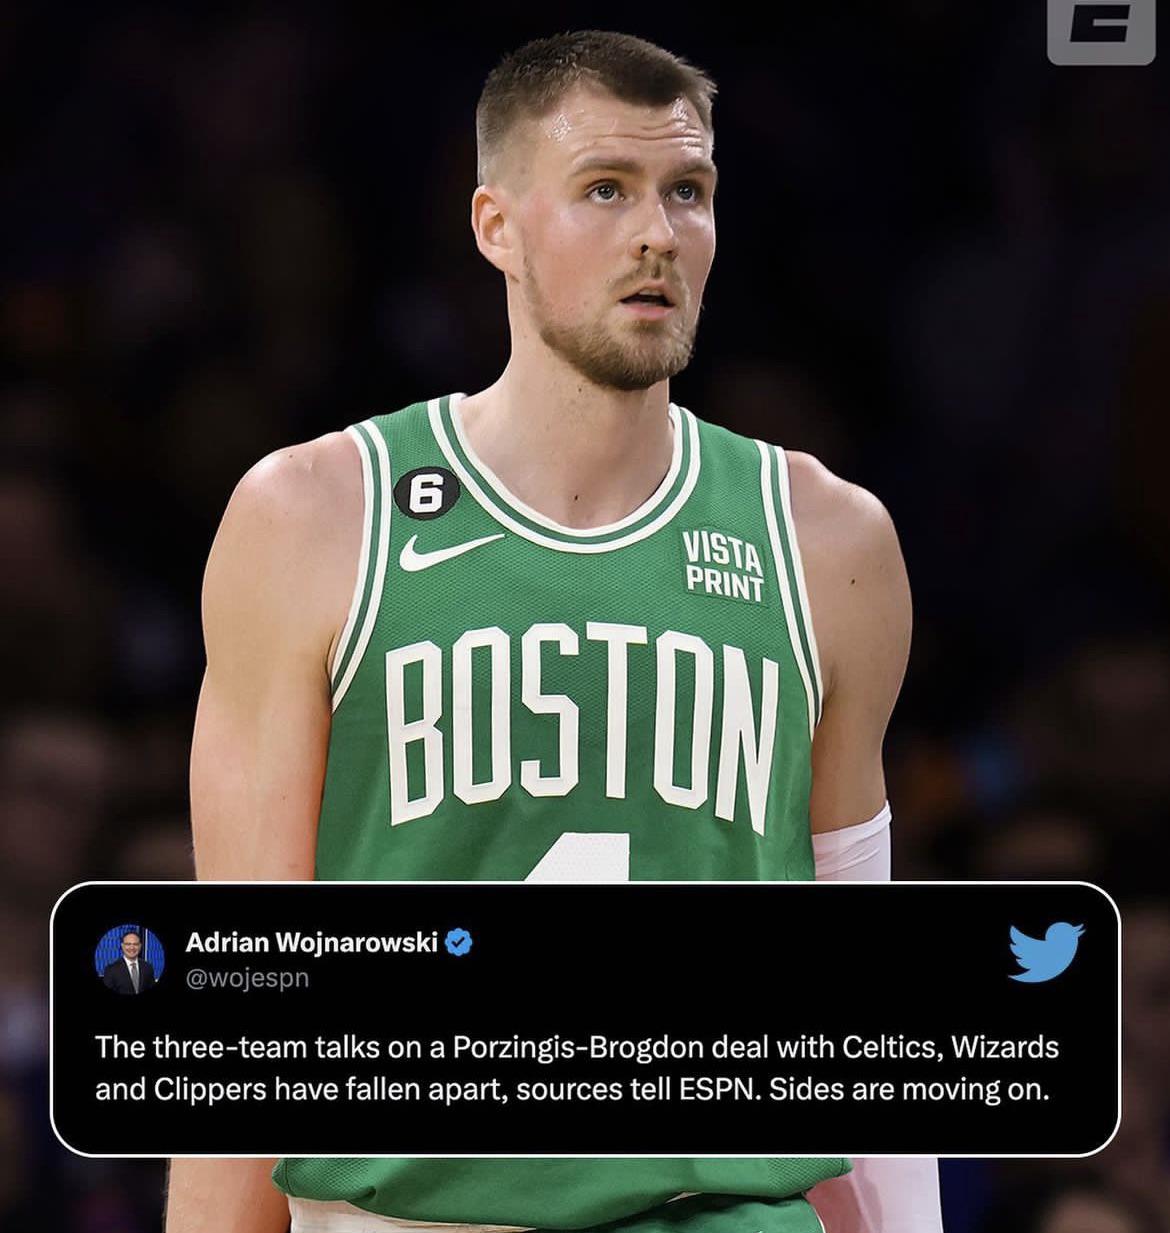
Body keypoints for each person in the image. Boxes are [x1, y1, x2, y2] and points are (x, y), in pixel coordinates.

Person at [167, 29, 942, 1233]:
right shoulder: (315, 516)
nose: (658, 233)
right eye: (606, 190)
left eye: (689, 191)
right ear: (496, 227)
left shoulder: (827, 539)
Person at [102, 930, 156, 995]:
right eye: (128, 944)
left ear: (140, 946)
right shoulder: (111, 970)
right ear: (122, 946)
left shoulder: (148, 967)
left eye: (135, 944)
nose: (132, 947)